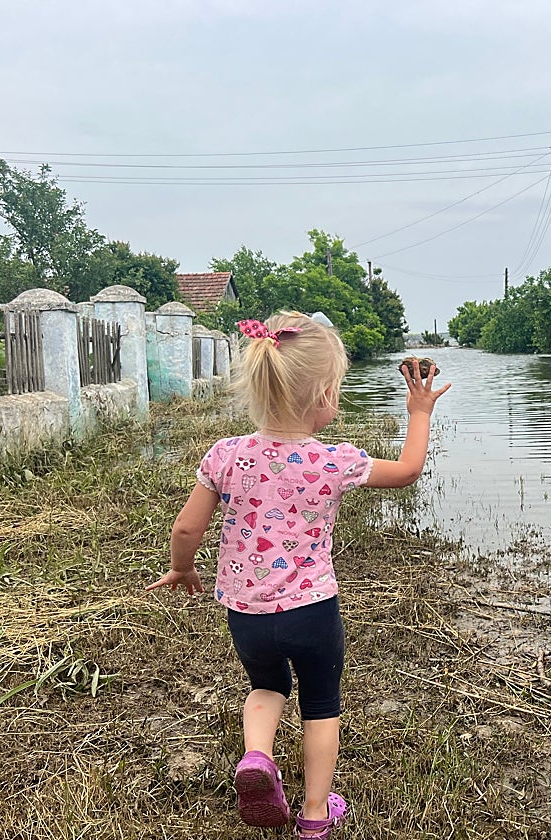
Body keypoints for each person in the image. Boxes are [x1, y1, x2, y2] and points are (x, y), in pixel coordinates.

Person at [147, 312, 450, 839]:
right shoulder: (334, 460)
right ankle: (314, 814)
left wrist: (181, 567)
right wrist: (418, 410)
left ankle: (258, 757)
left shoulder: (226, 454)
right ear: (326, 394)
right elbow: (408, 472)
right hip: (313, 610)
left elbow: (186, 527)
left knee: (265, 686)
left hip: (246, 612)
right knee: (320, 703)